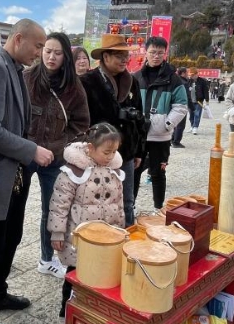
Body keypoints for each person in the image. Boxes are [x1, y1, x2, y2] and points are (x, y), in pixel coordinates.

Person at [0, 18, 50, 318]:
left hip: (14, 173)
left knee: (10, 236)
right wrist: (31, 150)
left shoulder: (14, 68)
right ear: (18, 39)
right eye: (38, 46)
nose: (40, 53)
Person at [23, 32, 90, 279]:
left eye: (58, 53)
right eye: (47, 51)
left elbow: (82, 124)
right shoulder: (27, 77)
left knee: (51, 211)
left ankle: (47, 258)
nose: (51, 57)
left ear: (66, 57)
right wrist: (26, 146)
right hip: (25, 153)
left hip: (55, 160)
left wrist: (61, 147)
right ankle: (2, 257)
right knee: (12, 209)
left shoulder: (74, 87)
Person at [48, 123, 124, 324]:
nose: (110, 156)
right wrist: (57, 232)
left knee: (101, 276)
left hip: (106, 239)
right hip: (78, 239)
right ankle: (67, 317)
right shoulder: (73, 172)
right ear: (90, 148)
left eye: (114, 152)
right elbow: (59, 204)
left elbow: (119, 205)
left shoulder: (114, 171)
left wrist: (120, 232)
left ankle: (94, 314)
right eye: (106, 152)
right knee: (74, 278)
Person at [80, 33, 144, 227]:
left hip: (126, 153)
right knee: (96, 202)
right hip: (99, 153)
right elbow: (83, 120)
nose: (124, 60)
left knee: (127, 201)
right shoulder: (87, 81)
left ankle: (127, 243)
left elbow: (140, 118)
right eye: (118, 55)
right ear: (105, 57)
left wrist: (139, 150)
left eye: (126, 55)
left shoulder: (133, 82)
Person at [132, 36, 188, 212]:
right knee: (133, 172)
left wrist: (167, 124)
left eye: (160, 53)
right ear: (146, 52)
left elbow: (180, 106)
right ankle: (129, 207)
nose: (156, 56)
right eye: (152, 52)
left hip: (160, 136)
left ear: (165, 54)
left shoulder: (173, 79)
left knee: (158, 173)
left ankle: (158, 209)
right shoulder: (136, 77)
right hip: (138, 134)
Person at [186, 67, 209, 135]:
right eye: (190, 75)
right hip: (190, 101)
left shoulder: (202, 81)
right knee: (191, 115)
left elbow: (205, 91)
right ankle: (192, 126)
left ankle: (195, 127)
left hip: (199, 101)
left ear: (196, 74)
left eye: (193, 75)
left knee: (197, 114)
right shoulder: (189, 81)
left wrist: (207, 100)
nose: (191, 76)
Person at [171, 66, 190, 148]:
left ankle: (172, 139)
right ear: (183, 73)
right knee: (181, 125)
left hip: (172, 105)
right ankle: (176, 141)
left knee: (173, 123)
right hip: (181, 106)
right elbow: (187, 97)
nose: (188, 74)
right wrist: (192, 107)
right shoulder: (183, 83)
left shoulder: (174, 80)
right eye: (187, 72)